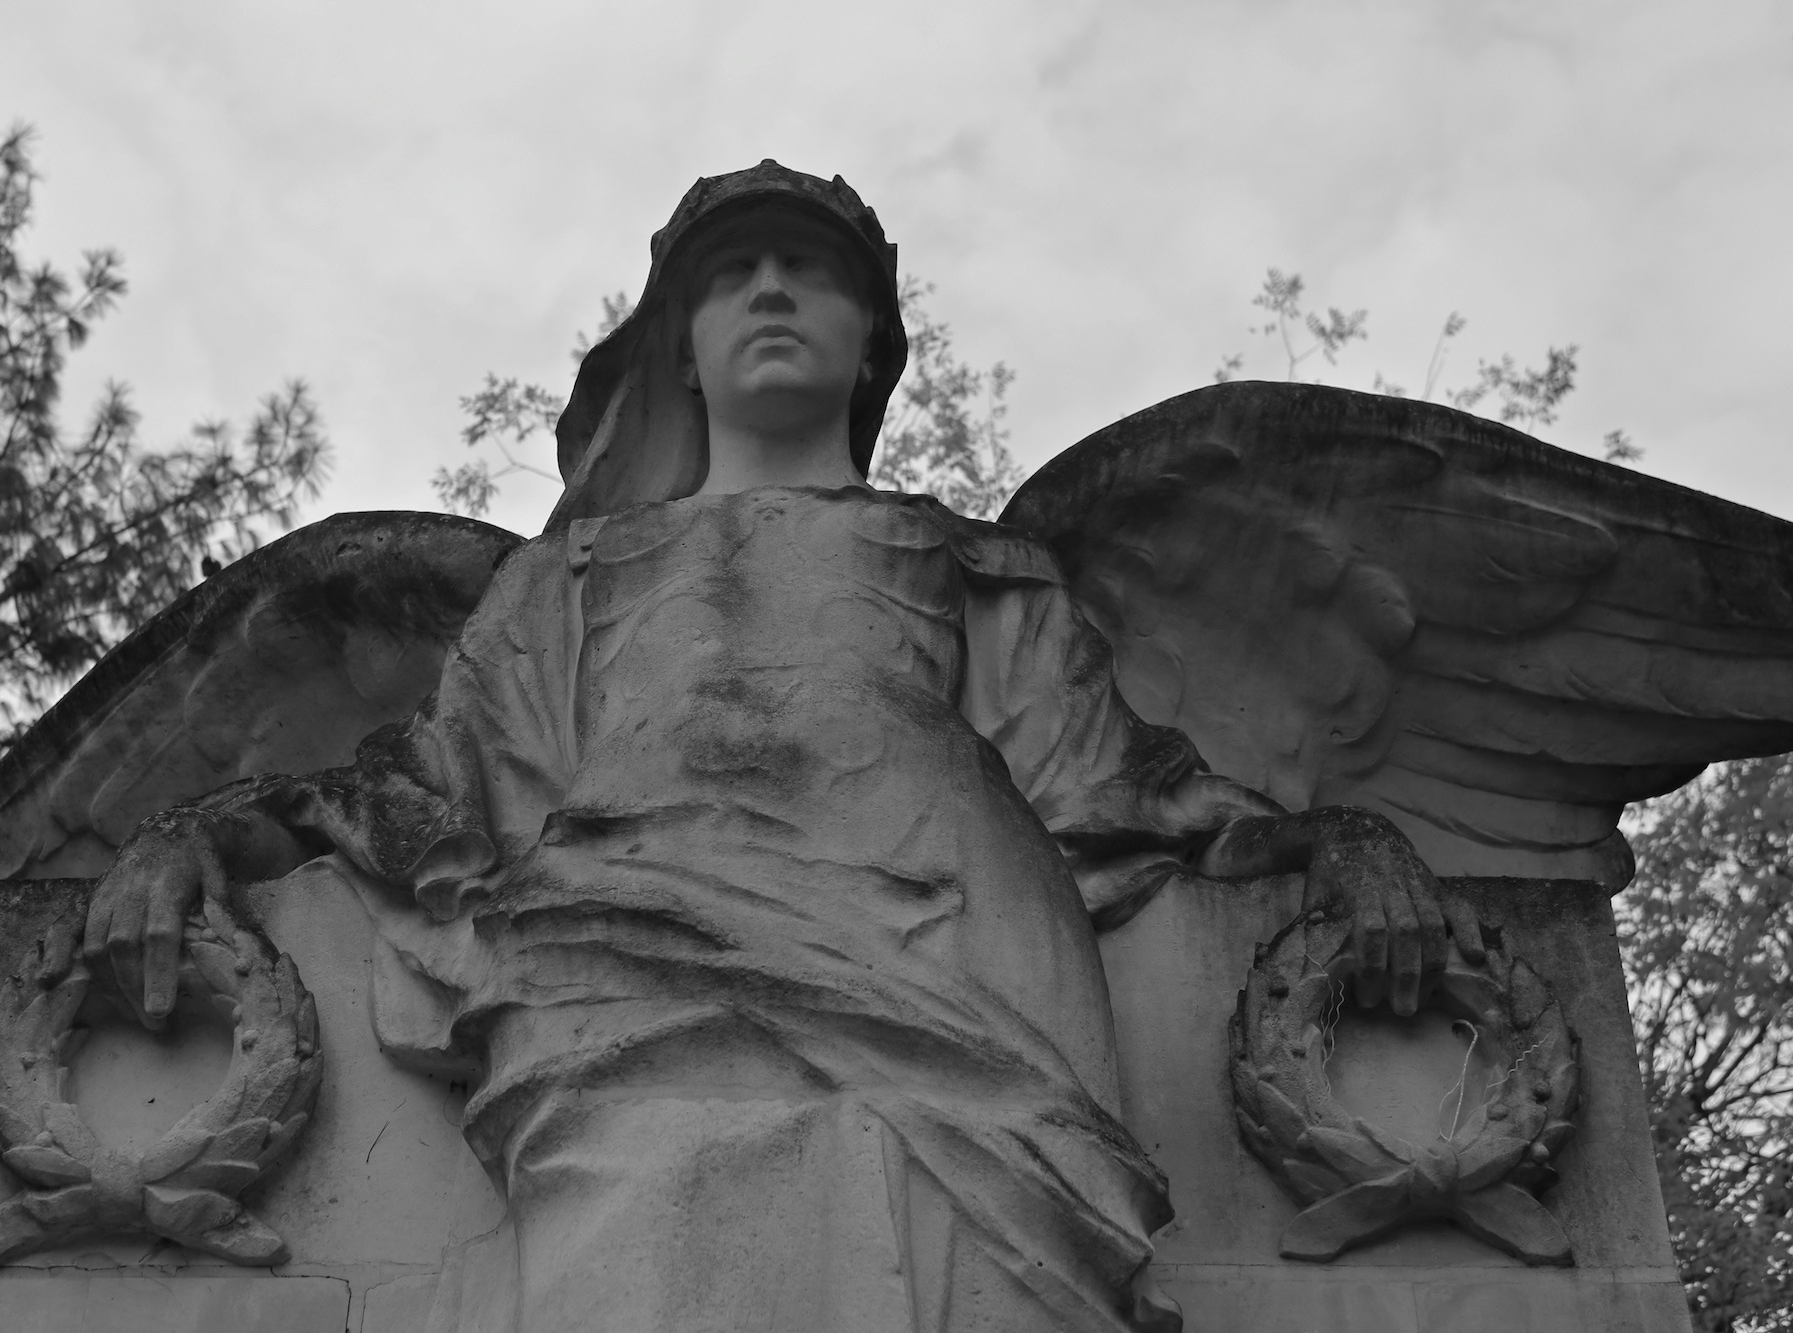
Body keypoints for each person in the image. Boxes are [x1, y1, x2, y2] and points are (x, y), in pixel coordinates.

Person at [84, 161, 1470, 1332]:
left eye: (808, 270)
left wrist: (1335, 841)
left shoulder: (973, 569)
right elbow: (424, 793)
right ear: (680, 347)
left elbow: (1127, 794)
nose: (768, 291)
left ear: (872, 346)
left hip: (966, 982)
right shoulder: (568, 584)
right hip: (626, 977)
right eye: (730, 274)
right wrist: (205, 831)